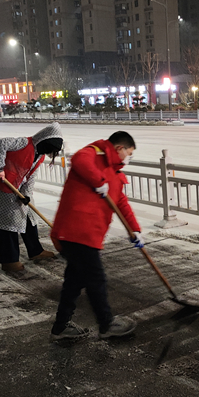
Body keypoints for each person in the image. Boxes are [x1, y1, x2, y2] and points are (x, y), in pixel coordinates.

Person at [49, 131, 144, 341]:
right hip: (76, 230)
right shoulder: (95, 153)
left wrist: (134, 230)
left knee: (75, 281)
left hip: (88, 233)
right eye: (129, 153)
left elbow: (120, 203)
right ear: (119, 148)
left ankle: (60, 327)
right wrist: (98, 180)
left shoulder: (116, 172)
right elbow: (79, 158)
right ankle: (106, 324)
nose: (129, 158)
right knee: (95, 278)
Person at [0, 123, 64, 274]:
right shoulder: (23, 143)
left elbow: (31, 177)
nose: (50, 153)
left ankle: (35, 251)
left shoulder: (39, 156)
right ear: (45, 140)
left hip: (20, 190)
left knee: (29, 217)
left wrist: (27, 195)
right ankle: (9, 260)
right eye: (50, 148)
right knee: (8, 225)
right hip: (5, 188)